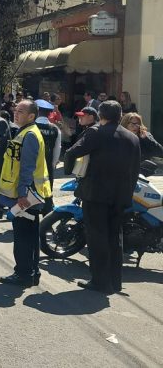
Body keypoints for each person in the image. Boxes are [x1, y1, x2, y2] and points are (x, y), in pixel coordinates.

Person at [64, 101, 141, 294]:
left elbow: (72, 152)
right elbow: (135, 169)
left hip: (96, 194)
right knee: (115, 239)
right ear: (120, 115)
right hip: (120, 196)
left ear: (101, 115)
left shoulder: (97, 132)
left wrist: (72, 172)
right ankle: (115, 282)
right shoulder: (132, 137)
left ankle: (100, 281)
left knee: (97, 238)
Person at [0, 100, 52, 287]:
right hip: (31, 194)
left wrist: (22, 194)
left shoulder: (29, 135)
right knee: (30, 234)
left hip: (27, 196)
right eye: (15, 110)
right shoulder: (26, 132)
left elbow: (26, 168)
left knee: (23, 236)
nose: (16, 113)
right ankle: (31, 272)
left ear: (31, 116)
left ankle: (23, 274)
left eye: (21, 111)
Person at [34, 99, 61, 214]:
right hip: (47, 164)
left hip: (33, 164)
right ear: (50, 114)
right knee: (47, 188)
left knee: (32, 189)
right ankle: (47, 214)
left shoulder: (31, 127)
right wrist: (53, 164)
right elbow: (57, 149)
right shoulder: (55, 129)